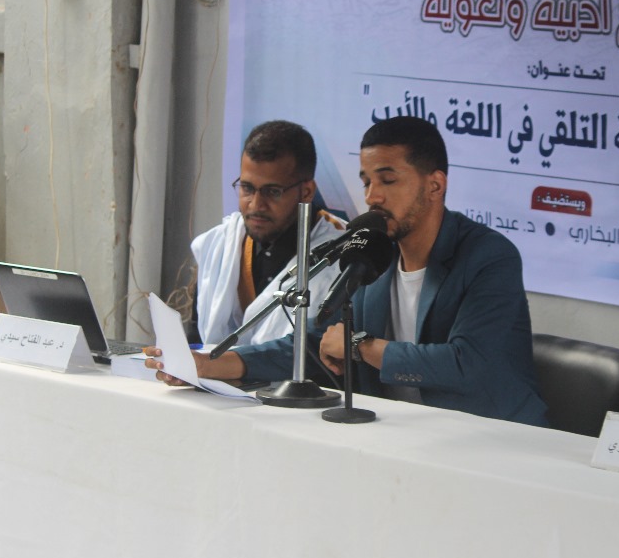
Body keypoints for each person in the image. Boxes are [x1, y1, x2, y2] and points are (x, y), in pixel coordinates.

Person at [149, 116, 548, 427]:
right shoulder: (374, 251)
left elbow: (470, 364)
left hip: (497, 441)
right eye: (366, 181)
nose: (372, 196)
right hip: (404, 435)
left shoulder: (488, 256)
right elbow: (315, 345)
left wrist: (360, 347)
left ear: (435, 185)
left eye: (387, 180)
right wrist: (212, 365)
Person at [189, 120, 345, 345]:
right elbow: (195, 341)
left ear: (307, 192)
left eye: (272, 191)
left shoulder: (341, 253)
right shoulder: (220, 244)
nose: (255, 205)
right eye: (247, 188)